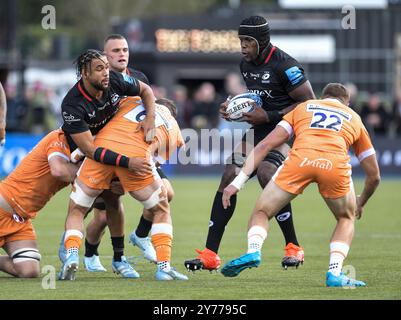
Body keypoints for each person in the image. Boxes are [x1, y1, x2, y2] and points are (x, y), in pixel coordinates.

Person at [185, 15, 315, 272]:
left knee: (267, 174)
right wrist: (232, 109)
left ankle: (293, 247)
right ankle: (210, 254)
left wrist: (269, 116)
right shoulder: (246, 64)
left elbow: (308, 102)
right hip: (259, 130)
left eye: (248, 40)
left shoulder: (285, 65)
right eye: (241, 40)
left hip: (287, 129)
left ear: (262, 40)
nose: (243, 45)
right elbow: (256, 99)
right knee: (229, 175)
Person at [220, 83, 380, 287]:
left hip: (300, 161)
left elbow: (265, 145)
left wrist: (237, 182)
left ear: (323, 97)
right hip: (333, 165)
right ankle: (334, 273)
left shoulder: (303, 108)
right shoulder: (354, 117)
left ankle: (253, 250)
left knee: (261, 212)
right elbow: (374, 176)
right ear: (346, 102)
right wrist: (361, 201)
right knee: (345, 217)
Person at [59, 96, 188, 281]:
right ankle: (164, 268)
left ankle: (72, 254)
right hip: (136, 159)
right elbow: (153, 165)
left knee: (77, 210)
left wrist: (79, 154)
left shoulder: (130, 101)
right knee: (161, 209)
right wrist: (125, 182)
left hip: (100, 151)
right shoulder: (174, 127)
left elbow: (98, 129)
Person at [58, 48, 156, 279]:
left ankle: (111, 257)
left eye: (107, 67)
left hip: (113, 146)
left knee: (110, 201)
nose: (106, 74)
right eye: (99, 69)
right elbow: (90, 149)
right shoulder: (72, 105)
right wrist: (127, 163)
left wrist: (150, 118)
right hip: (87, 153)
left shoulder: (115, 80)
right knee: (84, 205)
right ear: (84, 73)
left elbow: (147, 91)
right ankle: (76, 253)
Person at [79, 34, 165, 272]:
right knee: (104, 214)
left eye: (125, 49)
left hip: (137, 152)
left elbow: (150, 108)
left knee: (166, 194)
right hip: (108, 153)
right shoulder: (98, 82)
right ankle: (90, 253)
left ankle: (140, 235)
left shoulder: (139, 79)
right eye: (115, 50)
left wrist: (151, 122)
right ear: (104, 57)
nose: (122, 54)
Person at [0, 129, 79, 278]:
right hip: (3, 207)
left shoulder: (81, 151)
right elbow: (59, 170)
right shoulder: (58, 137)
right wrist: (94, 172)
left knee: (29, 270)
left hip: (20, 220)